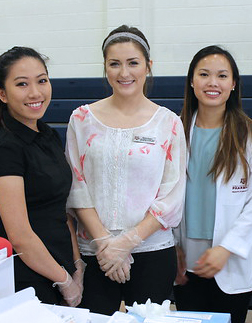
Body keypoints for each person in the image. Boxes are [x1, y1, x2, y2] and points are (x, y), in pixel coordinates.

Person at [65, 25, 186, 315]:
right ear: (105, 67)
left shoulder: (168, 123)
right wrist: (106, 244)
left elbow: (172, 195)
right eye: (114, 64)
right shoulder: (82, 119)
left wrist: (127, 244)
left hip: (152, 251)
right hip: (95, 252)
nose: (124, 73)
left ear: (148, 66)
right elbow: (76, 186)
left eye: (133, 63)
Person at [173, 45, 252, 323]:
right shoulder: (176, 130)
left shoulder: (250, 135)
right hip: (186, 260)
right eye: (204, 74)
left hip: (231, 261)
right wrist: (174, 249)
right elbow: (166, 195)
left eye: (222, 76)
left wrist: (226, 248)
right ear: (192, 81)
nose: (213, 83)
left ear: (233, 83)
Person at [0, 46, 83, 306]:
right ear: (2, 94)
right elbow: (20, 236)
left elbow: (61, 210)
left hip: (61, 266)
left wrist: (77, 264)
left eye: (42, 80)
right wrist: (64, 281)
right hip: (28, 277)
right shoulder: (4, 148)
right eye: (22, 84)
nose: (35, 92)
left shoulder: (48, 134)